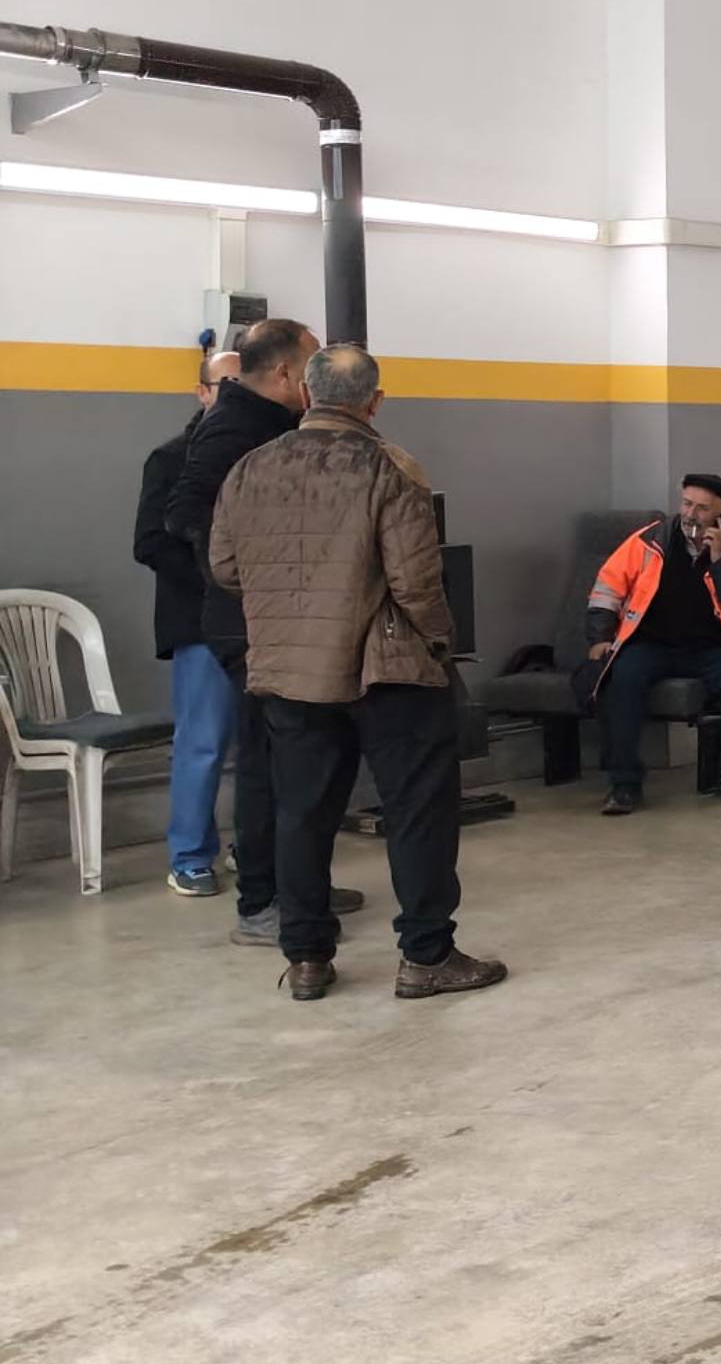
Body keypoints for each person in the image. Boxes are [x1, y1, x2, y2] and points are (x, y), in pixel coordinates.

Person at [209, 344, 504, 1004]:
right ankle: (427, 956)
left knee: (302, 812)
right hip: (386, 670)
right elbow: (415, 581)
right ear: (374, 401)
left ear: (306, 394)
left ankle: (307, 958)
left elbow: (224, 567)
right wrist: (440, 641)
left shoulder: (250, 468)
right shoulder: (388, 467)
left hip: (290, 669)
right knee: (418, 810)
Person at [165, 317, 361, 945]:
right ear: (283, 372)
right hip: (250, 627)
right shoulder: (235, 428)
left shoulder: (274, 423)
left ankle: (299, 887)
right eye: (309, 367)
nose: (315, 380)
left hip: (280, 622)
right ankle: (261, 901)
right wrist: (249, 581)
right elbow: (186, 515)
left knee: (305, 762)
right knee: (267, 763)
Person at [589, 474, 721, 815]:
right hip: (651, 644)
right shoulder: (648, 542)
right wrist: (599, 638)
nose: (690, 514)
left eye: (702, 508)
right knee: (622, 678)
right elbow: (607, 589)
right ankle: (624, 785)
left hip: (711, 648)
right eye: (687, 504)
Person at [134, 349, 244, 895]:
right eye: (225, 387)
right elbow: (149, 543)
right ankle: (191, 856)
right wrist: (216, 579)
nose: (236, 397)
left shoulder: (263, 452)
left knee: (268, 740)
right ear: (202, 393)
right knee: (203, 742)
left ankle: (254, 846)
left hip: (262, 620)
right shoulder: (171, 458)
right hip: (200, 621)